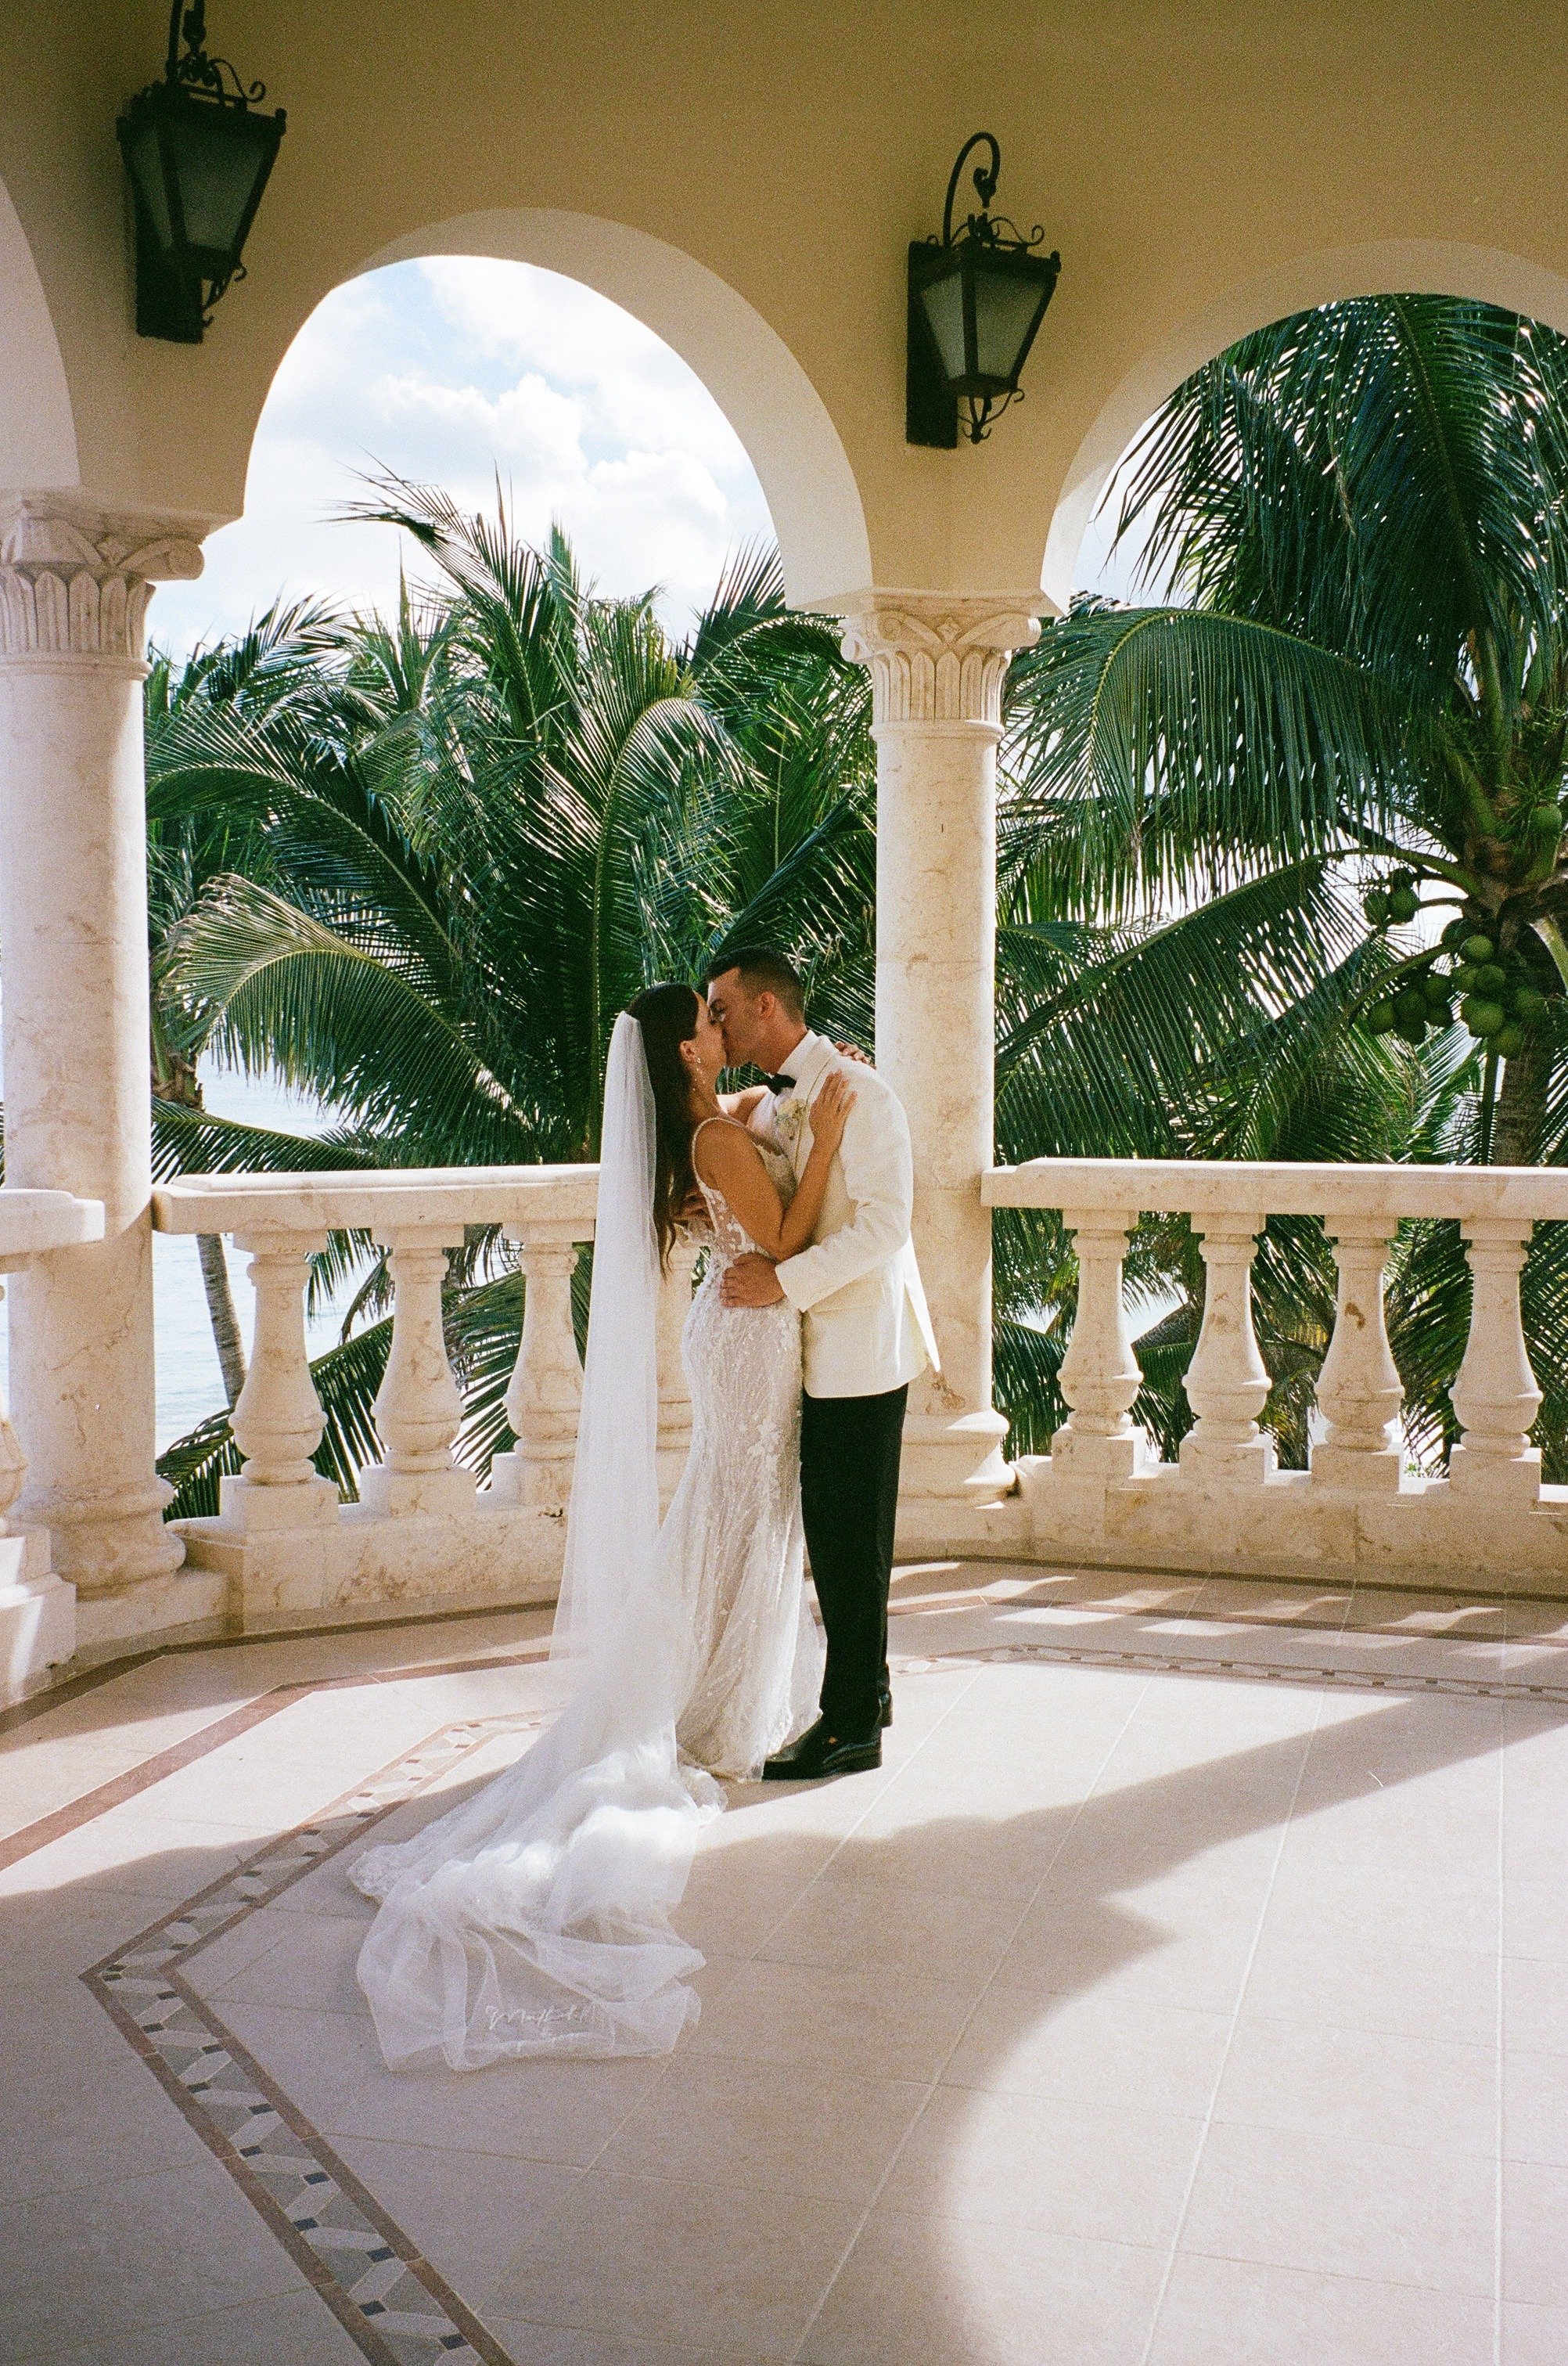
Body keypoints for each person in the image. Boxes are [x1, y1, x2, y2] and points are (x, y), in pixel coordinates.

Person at [347, 983, 857, 2069]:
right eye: (716, 1020)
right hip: (749, 1331)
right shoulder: (716, 1135)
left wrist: (792, 1113)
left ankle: (720, 1694)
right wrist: (834, 1138)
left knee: (741, 1508)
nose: (731, 1025)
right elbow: (782, 1234)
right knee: (737, 1505)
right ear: (688, 1044)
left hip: (738, 1330)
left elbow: (747, 1171)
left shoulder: (708, 1131)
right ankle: (701, 1700)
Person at [704, 947, 937, 1779]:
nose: (717, 1020)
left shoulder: (861, 1095)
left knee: (849, 1540)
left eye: (724, 1006)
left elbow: (884, 1227)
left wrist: (781, 1282)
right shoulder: (778, 1099)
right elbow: (726, 1127)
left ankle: (849, 1728)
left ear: (768, 1007)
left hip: (863, 1348)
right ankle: (866, 1694)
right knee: (837, 1533)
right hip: (811, 1350)